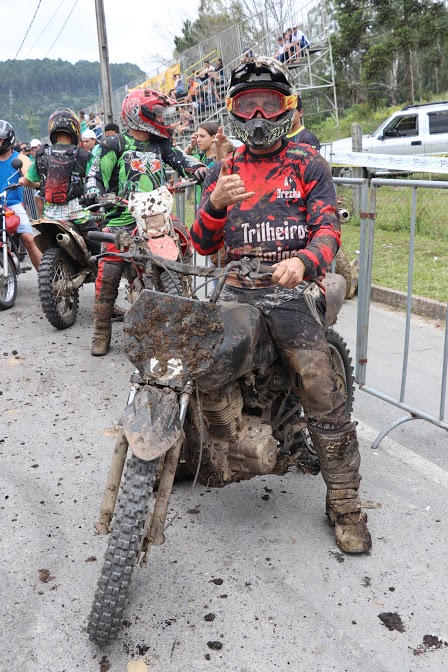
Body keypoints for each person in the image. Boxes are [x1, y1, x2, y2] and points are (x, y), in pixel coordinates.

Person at [191, 57, 371, 555]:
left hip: (289, 291)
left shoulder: (308, 164)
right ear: (232, 113)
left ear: (286, 108)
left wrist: (306, 262)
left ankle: (345, 499)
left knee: (318, 384)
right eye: (246, 107)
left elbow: (329, 229)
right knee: (201, 364)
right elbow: (203, 244)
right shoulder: (225, 169)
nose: (256, 118)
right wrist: (213, 206)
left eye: (267, 105)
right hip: (237, 290)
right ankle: (218, 445)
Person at [85, 88, 207, 356]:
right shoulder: (113, 144)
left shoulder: (160, 144)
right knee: (110, 270)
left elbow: (181, 158)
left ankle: (188, 306)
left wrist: (197, 168)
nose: (163, 119)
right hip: (122, 217)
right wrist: (93, 191)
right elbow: (93, 173)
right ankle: (101, 329)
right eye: (158, 114)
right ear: (138, 114)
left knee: (184, 243)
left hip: (158, 216)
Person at [20, 108, 101, 257]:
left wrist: (32, 183)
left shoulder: (41, 155)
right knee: (99, 247)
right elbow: (95, 179)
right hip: (76, 215)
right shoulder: (83, 155)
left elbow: (29, 181)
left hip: (49, 217)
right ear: (75, 130)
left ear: (52, 130)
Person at [0, 120, 42, 270]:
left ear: (7, 140)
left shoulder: (20, 158)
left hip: (13, 205)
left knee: (28, 239)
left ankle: (48, 279)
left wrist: (26, 179)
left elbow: (31, 175)